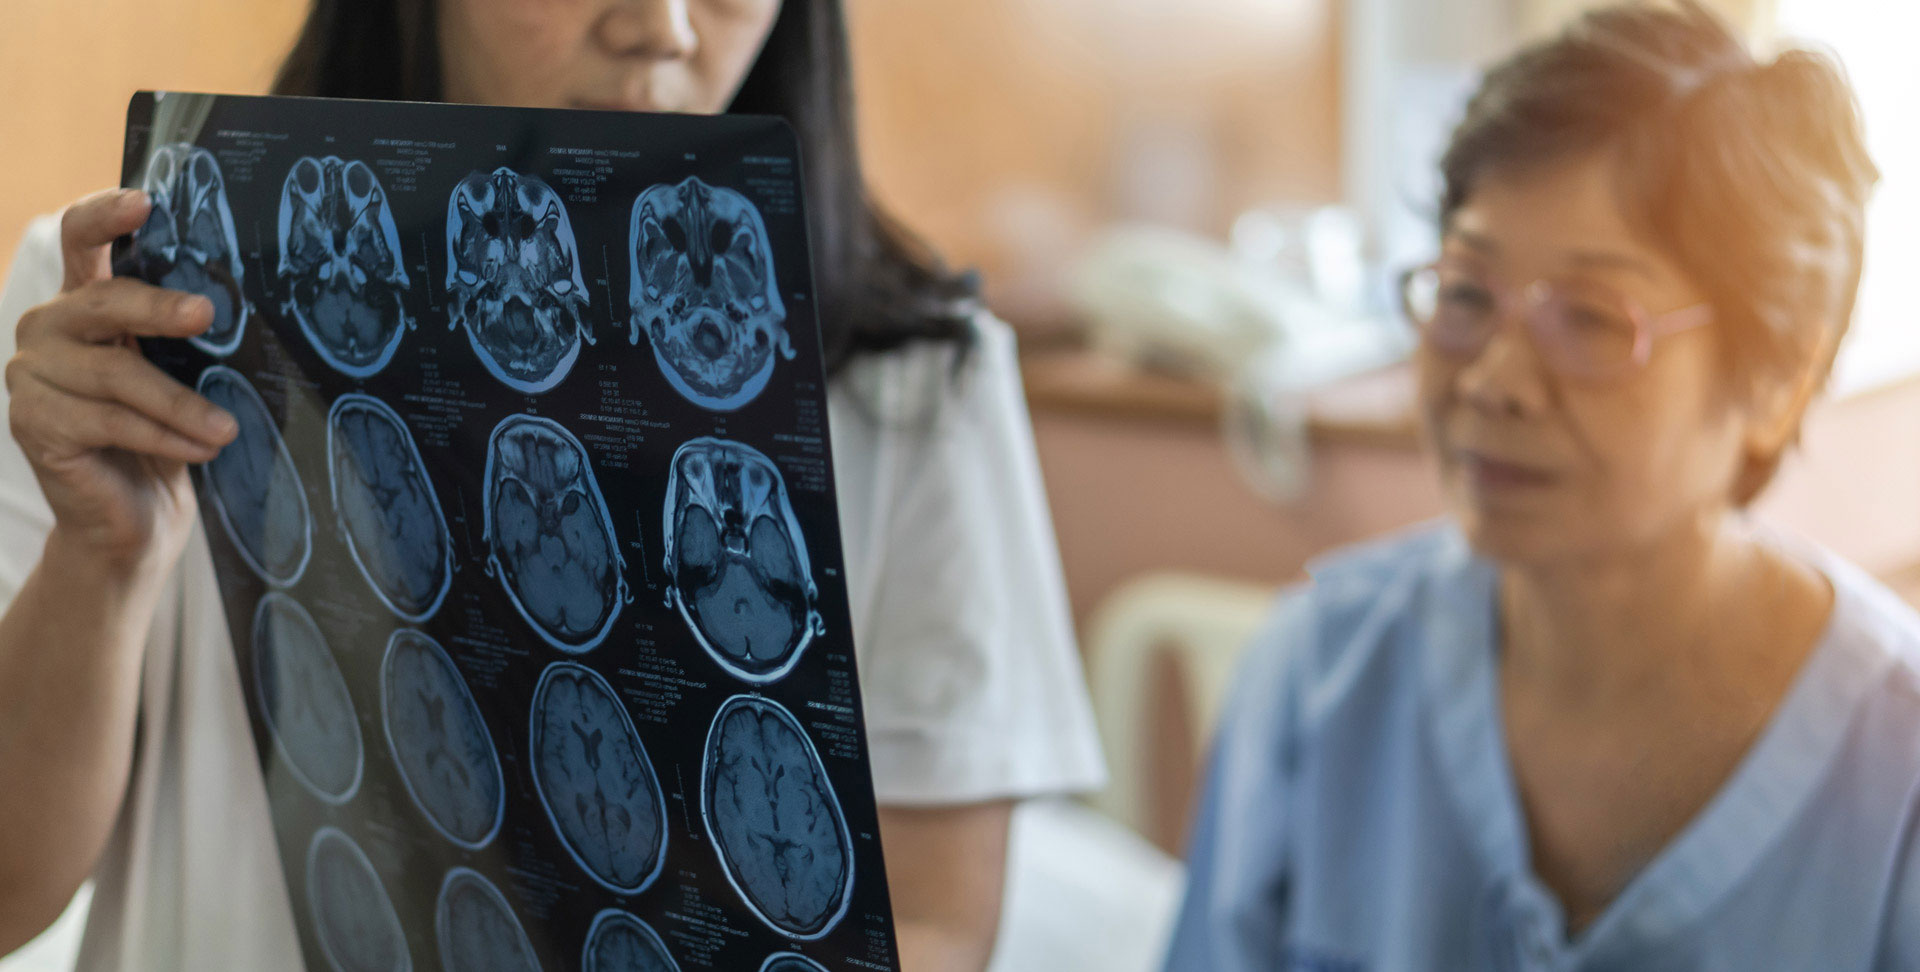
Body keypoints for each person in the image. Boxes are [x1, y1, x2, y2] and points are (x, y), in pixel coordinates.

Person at [0, 2, 1104, 969]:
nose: (662, 26)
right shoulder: (114, 322)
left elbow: (938, 924)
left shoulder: (917, 378)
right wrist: (102, 559)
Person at [1163, 3, 1915, 969]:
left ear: (1776, 379)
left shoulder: (1896, 778)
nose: (1493, 380)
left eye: (1594, 321)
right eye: (1467, 294)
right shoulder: (1316, 682)